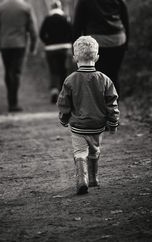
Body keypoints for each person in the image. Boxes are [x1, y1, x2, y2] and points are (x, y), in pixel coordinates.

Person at [57, 36, 119, 195]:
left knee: (80, 153)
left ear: (74, 58)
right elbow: (112, 103)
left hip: (78, 126)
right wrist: (113, 123)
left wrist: (64, 119)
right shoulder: (105, 80)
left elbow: (64, 103)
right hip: (98, 125)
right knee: (94, 151)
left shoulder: (70, 80)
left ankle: (82, 180)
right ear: (97, 57)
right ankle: (93, 179)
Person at [73, 0, 129, 94]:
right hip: (118, 40)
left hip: (96, 42)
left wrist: (75, 47)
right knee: (114, 75)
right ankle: (114, 109)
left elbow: (77, 24)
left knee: (97, 76)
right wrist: (127, 42)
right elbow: (125, 20)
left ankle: (100, 109)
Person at [0, 0, 37, 112]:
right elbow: (33, 30)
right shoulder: (25, 7)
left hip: (5, 45)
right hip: (20, 45)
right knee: (16, 73)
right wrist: (33, 47)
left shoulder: (0, 8)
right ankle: (13, 103)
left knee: (8, 72)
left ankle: (11, 101)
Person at [39, 0, 72, 103]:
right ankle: (64, 94)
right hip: (64, 48)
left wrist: (47, 42)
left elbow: (41, 34)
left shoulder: (47, 19)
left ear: (51, 8)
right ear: (60, 7)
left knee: (53, 70)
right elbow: (72, 32)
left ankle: (54, 90)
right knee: (64, 70)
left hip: (50, 49)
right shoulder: (66, 18)